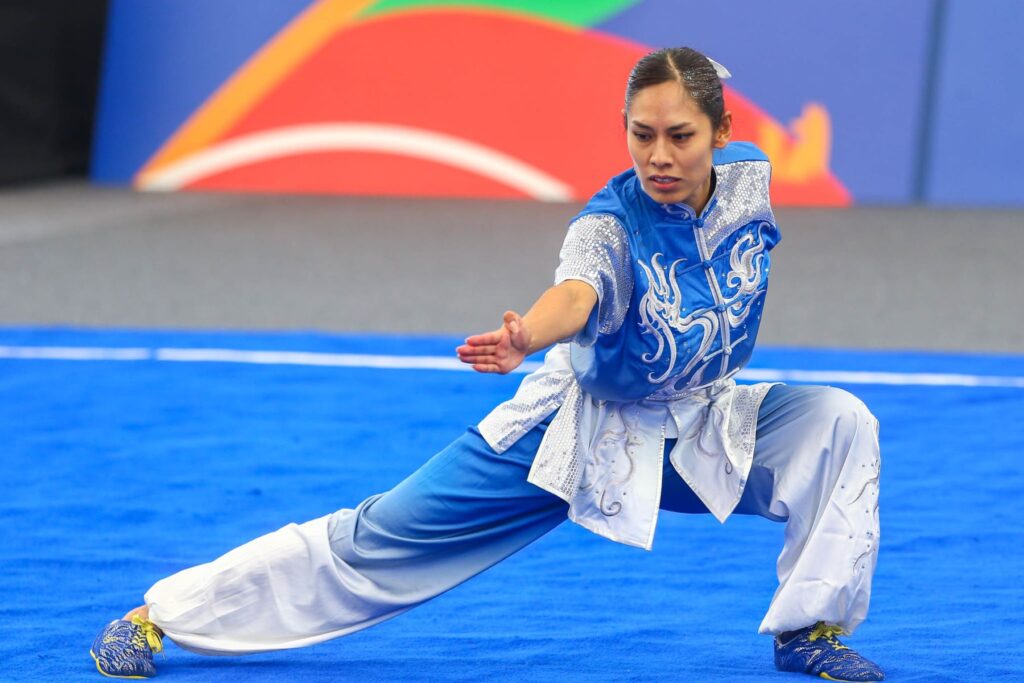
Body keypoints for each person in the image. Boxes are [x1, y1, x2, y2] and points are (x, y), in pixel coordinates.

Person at [91, 47, 884, 681]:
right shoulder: (608, 225)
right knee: (384, 534)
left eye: (679, 134)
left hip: (698, 421)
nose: (659, 155)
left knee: (839, 421)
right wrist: (527, 338)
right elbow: (575, 294)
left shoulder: (750, 180)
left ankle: (808, 629)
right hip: (578, 433)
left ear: (718, 131)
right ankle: (162, 613)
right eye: (641, 134)